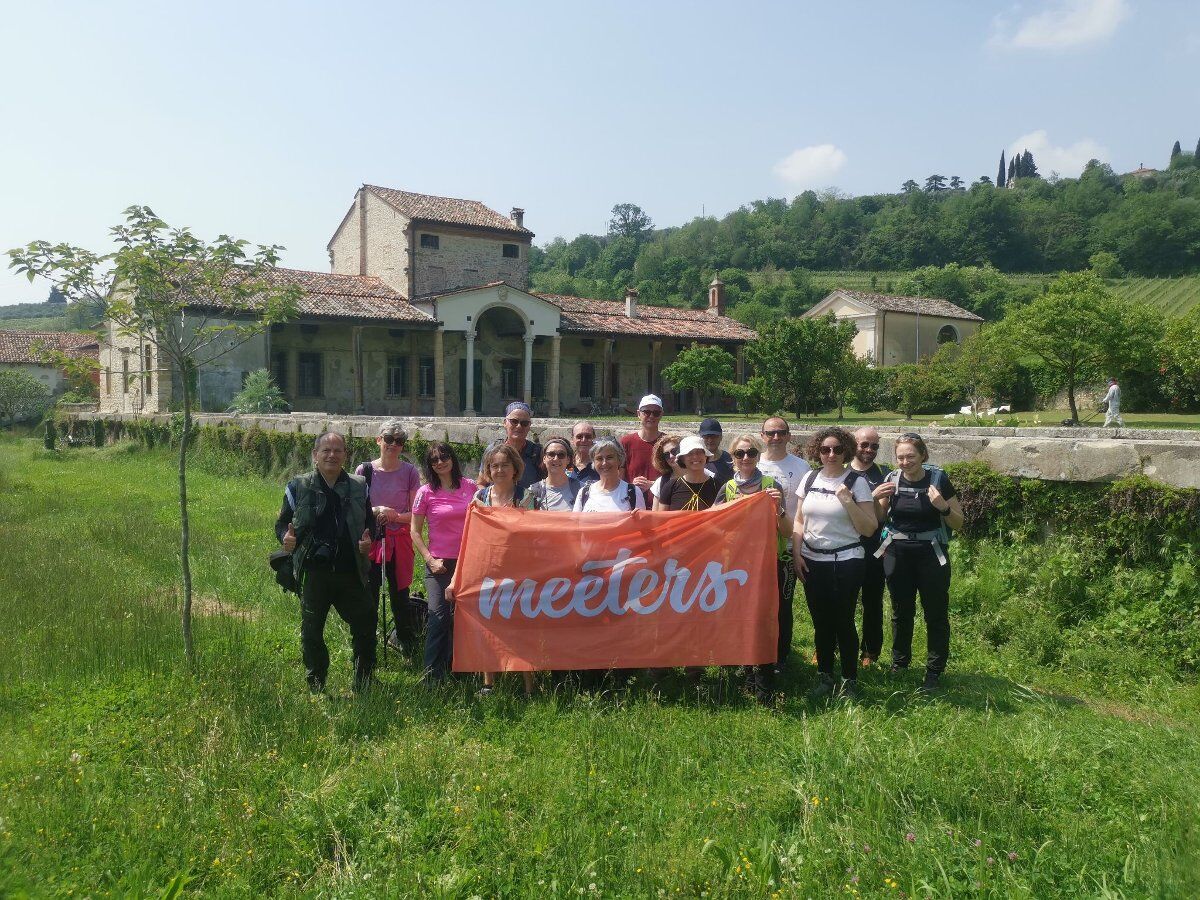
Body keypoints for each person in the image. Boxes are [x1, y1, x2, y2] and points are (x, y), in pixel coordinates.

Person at [276, 430, 377, 693]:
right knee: (312, 630)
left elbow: (370, 523)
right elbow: (282, 524)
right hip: (314, 572)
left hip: (350, 570)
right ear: (315, 455)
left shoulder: (359, 486)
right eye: (326, 450)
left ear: (345, 455)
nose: (332, 455)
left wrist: (369, 540)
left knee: (366, 622)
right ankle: (316, 683)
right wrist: (286, 538)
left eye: (337, 450)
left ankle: (364, 680)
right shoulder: (298, 486)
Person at [872, 433, 964, 693]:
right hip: (897, 553)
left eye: (910, 456)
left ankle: (934, 670)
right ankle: (900, 663)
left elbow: (958, 522)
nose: (905, 462)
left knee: (935, 613)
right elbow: (879, 518)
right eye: (900, 457)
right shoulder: (891, 479)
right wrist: (874, 498)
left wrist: (943, 507)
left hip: (931, 554)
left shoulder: (938, 480)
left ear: (923, 455)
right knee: (901, 611)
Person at [792, 427, 878, 701]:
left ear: (846, 451)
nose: (831, 454)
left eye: (837, 449)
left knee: (843, 621)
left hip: (846, 561)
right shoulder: (809, 478)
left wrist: (848, 502)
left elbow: (869, 528)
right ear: (817, 451)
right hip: (812, 561)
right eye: (825, 449)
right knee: (821, 621)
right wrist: (796, 554)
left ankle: (849, 680)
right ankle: (825, 676)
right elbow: (799, 520)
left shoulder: (856, 482)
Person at [716, 433, 792, 702]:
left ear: (759, 456)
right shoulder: (727, 489)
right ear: (732, 458)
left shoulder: (772, 486)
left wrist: (778, 508)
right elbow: (713, 526)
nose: (745, 458)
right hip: (738, 566)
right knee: (742, 619)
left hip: (768, 565)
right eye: (740, 453)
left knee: (765, 620)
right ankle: (748, 673)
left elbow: (787, 531)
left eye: (751, 453)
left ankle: (765, 682)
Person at [472, 443, 537, 697]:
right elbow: (473, 533)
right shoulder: (480, 498)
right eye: (494, 465)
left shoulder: (526, 497)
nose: (499, 470)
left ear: (515, 469)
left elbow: (532, 534)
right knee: (488, 625)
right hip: (488, 568)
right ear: (488, 470)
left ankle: (529, 687)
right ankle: (488, 684)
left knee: (521, 627)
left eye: (504, 465)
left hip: (519, 570)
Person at [411, 442, 477, 685]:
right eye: (434, 460)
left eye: (444, 456)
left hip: (468, 560)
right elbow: (415, 531)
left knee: (465, 618)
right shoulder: (425, 492)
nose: (440, 462)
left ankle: (462, 670)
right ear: (429, 465)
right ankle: (432, 675)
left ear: (452, 458)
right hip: (439, 563)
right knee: (438, 617)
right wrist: (429, 559)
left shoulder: (470, 487)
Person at [356, 421, 422, 658]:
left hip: (400, 540)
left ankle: (405, 640)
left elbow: (416, 513)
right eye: (388, 439)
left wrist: (394, 516)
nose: (393, 445)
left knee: (400, 594)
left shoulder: (410, 472)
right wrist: (377, 511)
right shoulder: (364, 471)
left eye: (399, 441)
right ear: (379, 440)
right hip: (372, 540)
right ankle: (367, 643)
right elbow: (357, 508)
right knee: (370, 592)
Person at [756, 416, 810, 667]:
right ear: (762, 436)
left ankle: (781, 656)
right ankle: (756, 653)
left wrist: (798, 548)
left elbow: (803, 512)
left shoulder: (802, 467)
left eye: (781, 432)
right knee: (756, 605)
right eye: (770, 433)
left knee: (783, 605)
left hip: (786, 547)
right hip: (755, 548)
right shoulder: (749, 461)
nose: (775, 437)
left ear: (789, 435)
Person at [848, 426, 890, 666]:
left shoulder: (884, 474)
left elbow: (881, 515)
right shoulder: (841, 471)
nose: (869, 450)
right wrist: (871, 496)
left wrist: (871, 498)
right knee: (841, 600)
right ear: (853, 444)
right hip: (844, 545)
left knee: (872, 601)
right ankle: (832, 646)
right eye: (864, 444)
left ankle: (870, 652)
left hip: (873, 547)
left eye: (874, 446)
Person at [573, 439, 647, 512]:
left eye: (609, 457)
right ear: (594, 463)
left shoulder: (634, 492)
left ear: (619, 460)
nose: (604, 463)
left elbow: (642, 519)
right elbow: (575, 520)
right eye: (599, 458)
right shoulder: (584, 493)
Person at [653, 435, 719, 512]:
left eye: (699, 452)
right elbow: (661, 517)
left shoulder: (717, 486)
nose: (695, 456)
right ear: (682, 459)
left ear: (706, 456)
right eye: (689, 453)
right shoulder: (670, 487)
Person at [620, 394, 664, 498]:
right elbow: (619, 477)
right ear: (638, 414)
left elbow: (677, 477)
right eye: (646, 412)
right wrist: (631, 486)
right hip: (632, 502)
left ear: (661, 414)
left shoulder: (667, 443)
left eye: (656, 413)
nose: (651, 416)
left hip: (660, 503)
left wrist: (653, 484)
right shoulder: (626, 442)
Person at [523, 437, 580, 511]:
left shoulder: (581, 489)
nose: (556, 458)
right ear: (544, 459)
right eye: (551, 454)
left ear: (568, 460)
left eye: (561, 455)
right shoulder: (533, 491)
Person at [501, 401, 544, 493]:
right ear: (505, 423)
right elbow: (481, 482)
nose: (519, 426)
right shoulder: (493, 451)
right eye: (514, 421)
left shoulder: (538, 453)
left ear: (529, 426)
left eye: (524, 423)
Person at [699, 418, 734, 489]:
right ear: (701, 438)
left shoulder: (730, 460)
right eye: (706, 437)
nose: (710, 440)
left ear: (721, 437)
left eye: (714, 436)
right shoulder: (695, 460)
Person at [649, 434, 684, 500]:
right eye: (666, 455)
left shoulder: (702, 474)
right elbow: (656, 507)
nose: (671, 456)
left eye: (674, 451)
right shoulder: (660, 482)